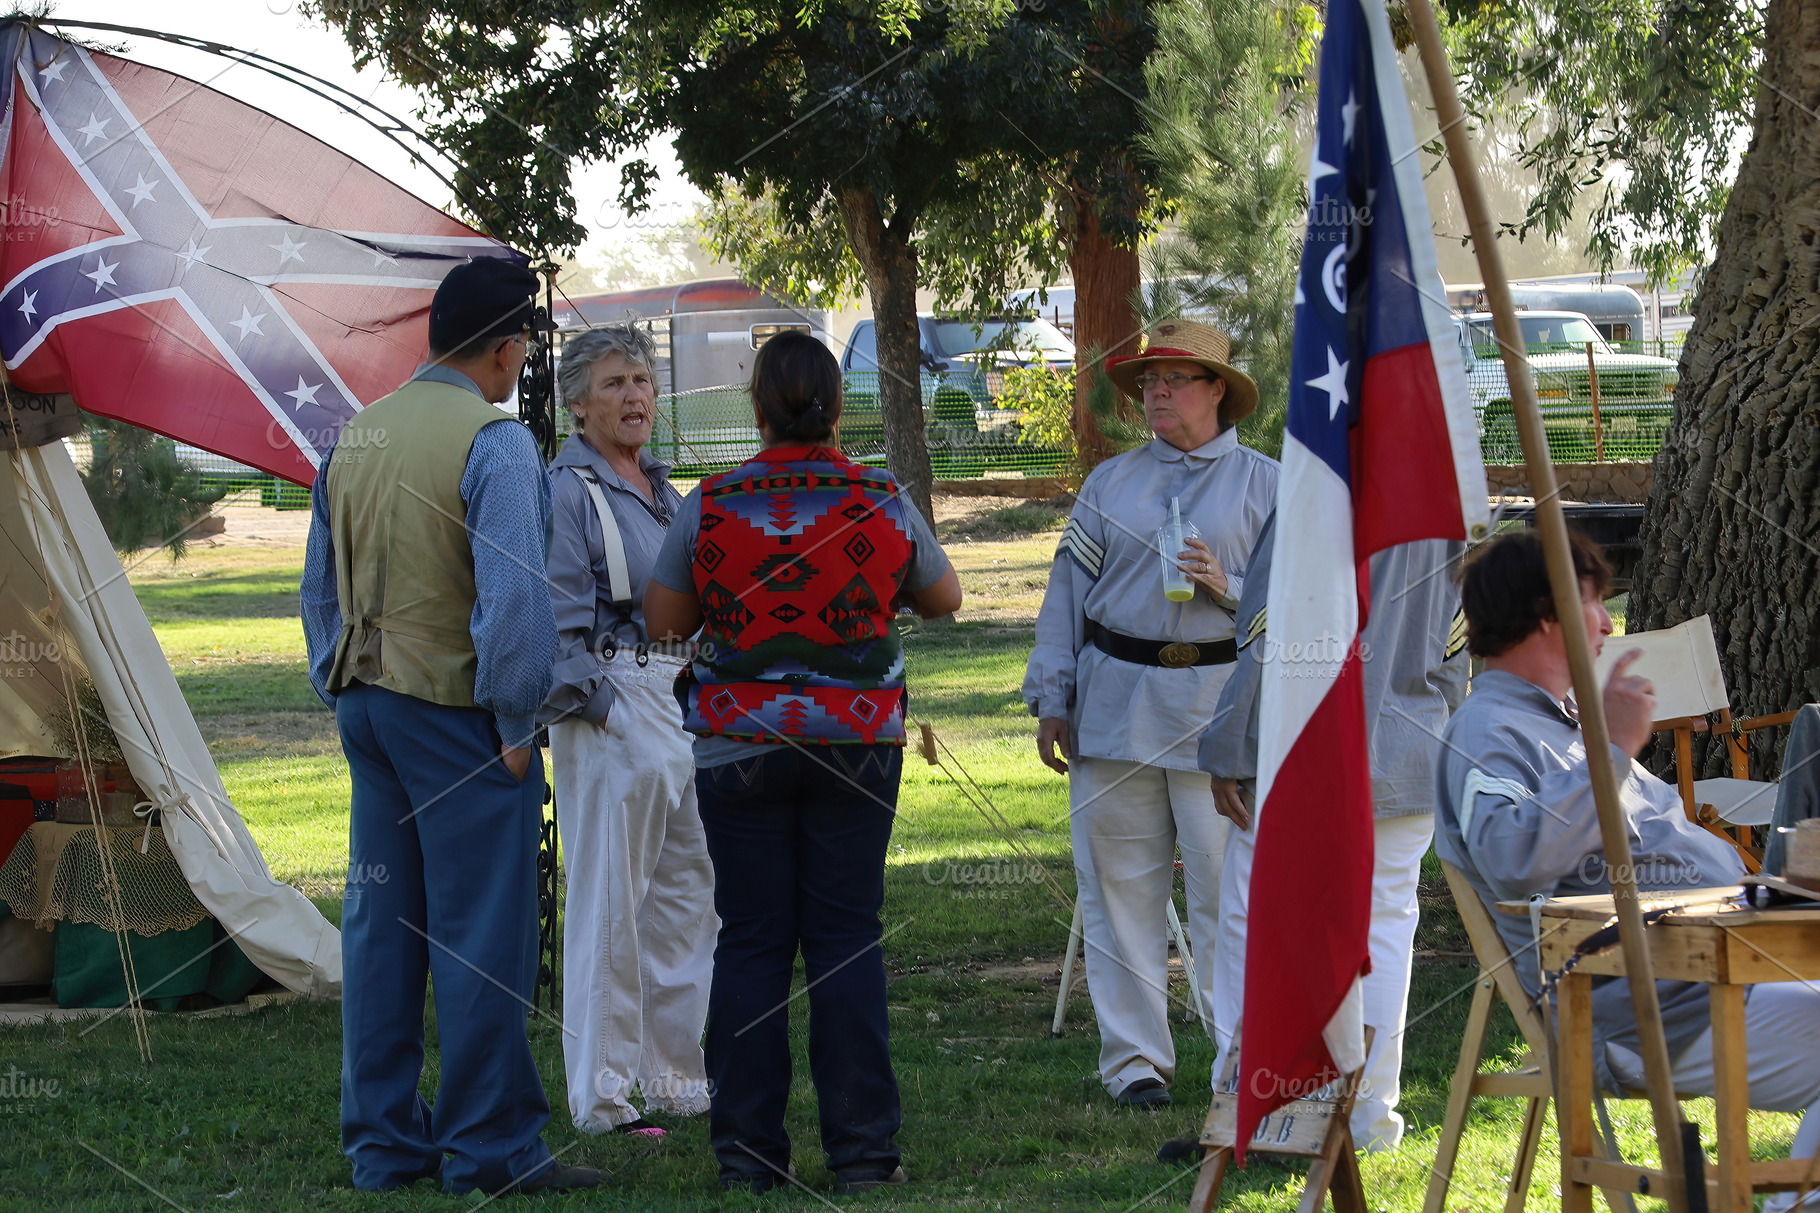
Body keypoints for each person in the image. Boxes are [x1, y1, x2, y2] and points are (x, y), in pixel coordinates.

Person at [300, 257, 605, 1196]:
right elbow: (514, 602)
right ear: (509, 347)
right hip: (459, 715)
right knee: (482, 931)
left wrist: (341, 681)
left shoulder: (358, 432)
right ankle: (490, 1146)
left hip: (368, 702)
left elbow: (318, 587)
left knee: (381, 926)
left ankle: (385, 1144)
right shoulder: (497, 440)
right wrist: (519, 721)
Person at [644, 331, 962, 1195]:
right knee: (846, 938)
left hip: (739, 746)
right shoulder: (879, 494)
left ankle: (747, 1152)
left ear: (754, 405)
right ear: (838, 405)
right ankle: (862, 1152)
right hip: (855, 743)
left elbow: (665, 625)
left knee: (749, 941)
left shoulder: (711, 502)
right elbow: (944, 598)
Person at [1437, 530, 1820, 1212]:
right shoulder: (1489, 730)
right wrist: (1611, 746)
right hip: (1645, 1006)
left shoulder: (1561, 723)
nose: (1610, 621)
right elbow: (1511, 858)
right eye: (1593, 601)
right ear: (1546, 613)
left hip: (1713, 970)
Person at [1024, 318, 1277, 1109]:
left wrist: (1229, 587)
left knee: (1224, 892)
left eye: (1174, 378)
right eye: (1147, 382)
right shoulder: (1111, 484)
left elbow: (1302, 609)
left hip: (1220, 712)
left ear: (1216, 392)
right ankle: (1134, 1062)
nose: (1156, 392)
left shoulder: (1268, 485)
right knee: (1117, 887)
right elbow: (1067, 593)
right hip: (1116, 702)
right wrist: (1053, 694)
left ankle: (1238, 1054)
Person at [1191, 511, 1467, 1151]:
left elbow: (1263, 634)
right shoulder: (1435, 499)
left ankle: (1246, 1112)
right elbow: (1455, 644)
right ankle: (1367, 1119)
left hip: (1301, 753)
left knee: (1253, 924)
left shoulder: (1317, 481)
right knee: (1385, 933)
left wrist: (1230, 747)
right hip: (1410, 746)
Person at [538, 324, 715, 1138]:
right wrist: (603, 710)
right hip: (613, 699)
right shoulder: (567, 492)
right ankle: (603, 1095)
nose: (635, 395)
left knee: (685, 900)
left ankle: (675, 1078)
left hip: (677, 696)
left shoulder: (663, 490)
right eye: (613, 383)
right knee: (611, 906)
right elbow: (553, 622)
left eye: (642, 379)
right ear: (577, 404)